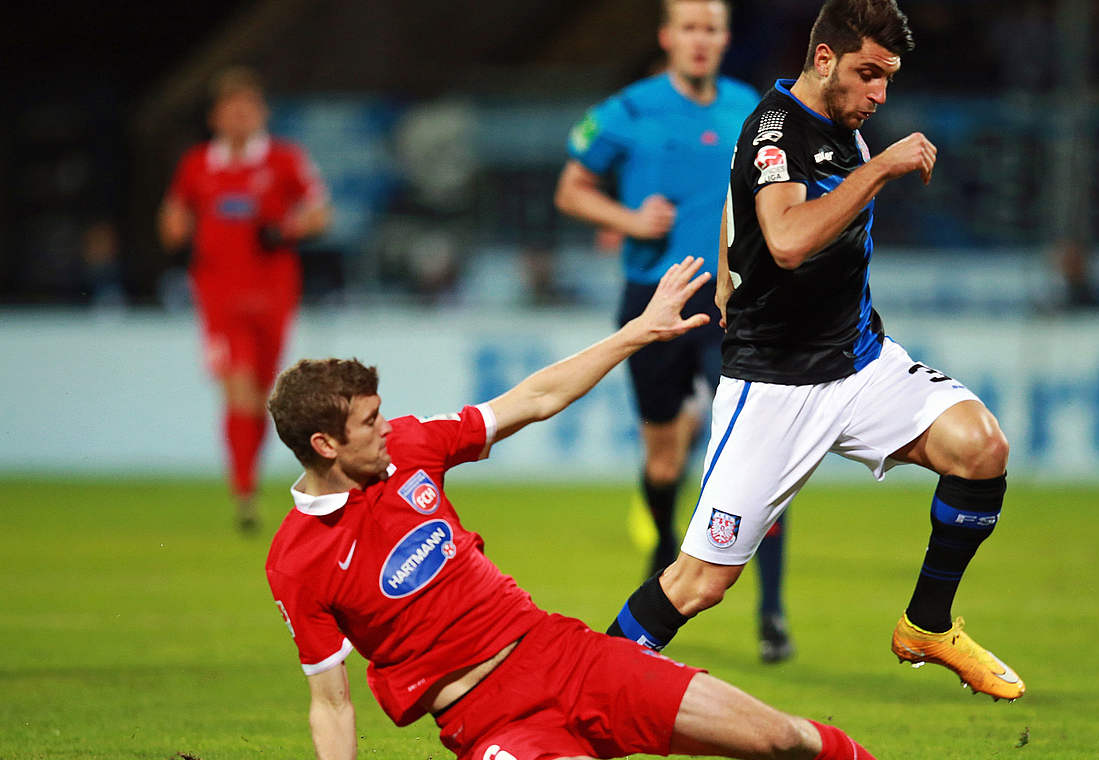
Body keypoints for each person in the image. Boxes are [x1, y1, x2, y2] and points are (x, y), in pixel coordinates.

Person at [263, 257, 880, 760]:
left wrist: (638, 331)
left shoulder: (412, 445)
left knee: (783, 739)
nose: (385, 429)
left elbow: (532, 399)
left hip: (567, 656)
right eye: (369, 422)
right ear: (325, 445)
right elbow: (331, 702)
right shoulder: (298, 561)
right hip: (489, 722)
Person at [605, 0, 1025, 702]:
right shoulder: (776, 130)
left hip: (859, 363)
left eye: (888, 79)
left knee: (981, 447)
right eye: (867, 74)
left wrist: (728, 283)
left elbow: (735, 211)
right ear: (824, 59)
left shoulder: (840, 127)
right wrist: (883, 169)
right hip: (775, 386)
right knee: (701, 582)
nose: (879, 94)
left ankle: (927, 624)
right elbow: (790, 240)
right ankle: (583, 687)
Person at [555, 0, 793, 662]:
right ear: (667, 37)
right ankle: (663, 543)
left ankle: (772, 613)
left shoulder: (752, 107)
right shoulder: (627, 110)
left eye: (711, 29)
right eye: (688, 28)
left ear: (723, 39)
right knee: (663, 458)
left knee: (765, 450)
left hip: (732, 306)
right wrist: (629, 221)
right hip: (652, 303)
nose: (700, 40)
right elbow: (572, 188)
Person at [159, 66, 331, 532]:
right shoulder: (198, 164)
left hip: (274, 297)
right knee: (237, 391)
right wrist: (177, 226)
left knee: (260, 399)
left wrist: (285, 229)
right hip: (220, 298)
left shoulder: (283, 159)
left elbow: (320, 212)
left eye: (249, 110)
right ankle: (244, 495)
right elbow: (173, 216)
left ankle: (247, 480)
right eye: (232, 111)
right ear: (217, 117)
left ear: (261, 114)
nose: (241, 119)